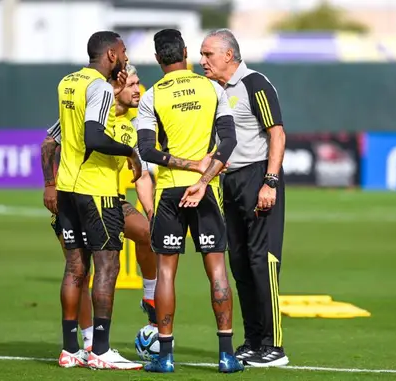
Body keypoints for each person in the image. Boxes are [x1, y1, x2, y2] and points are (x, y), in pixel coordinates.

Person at [137, 28, 243, 374]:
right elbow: (228, 142)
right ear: (185, 51)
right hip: (206, 191)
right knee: (217, 270)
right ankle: (226, 355)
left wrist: (184, 166)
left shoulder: (152, 96)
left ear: (157, 58)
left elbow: (147, 150)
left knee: (166, 272)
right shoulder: (212, 88)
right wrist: (203, 178)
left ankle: (165, 356)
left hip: (169, 191)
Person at [41, 65, 158, 362]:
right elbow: (50, 142)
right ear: (116, 86)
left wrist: (151, 210)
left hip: (113, 200)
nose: (138, 89)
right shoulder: (93, 109)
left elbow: (143, 175)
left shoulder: (136, 122)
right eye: (132, 83)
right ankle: (91, 342)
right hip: (82, 194)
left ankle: (150, 294)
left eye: (138, 83)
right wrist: (50, 185)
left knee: (147, 233)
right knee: (82, 269)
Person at [199, 28, 289, 367]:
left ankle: (274, 346)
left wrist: (270, 181)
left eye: (208, 54)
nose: (202, 60)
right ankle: (253, 342)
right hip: (230, 181)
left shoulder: (255, 84)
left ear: (228, 55)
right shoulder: (215, 91)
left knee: (260, 262)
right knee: (238, 262)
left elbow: (276, 133)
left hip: (257, 177)